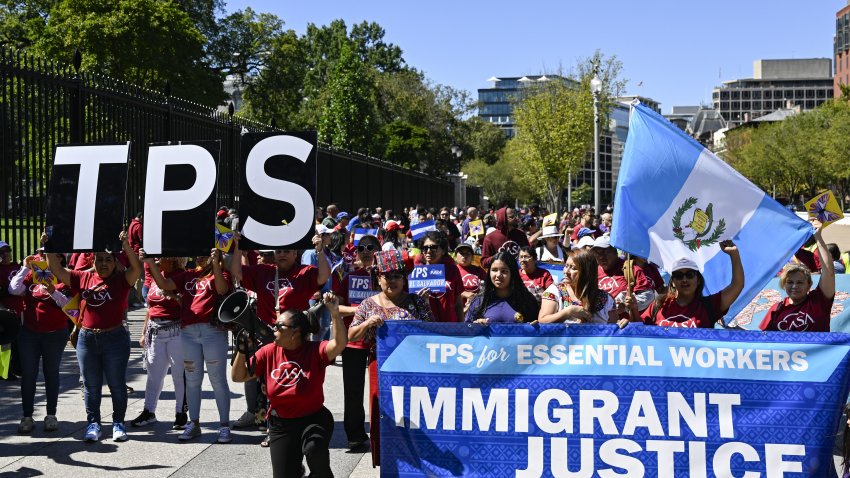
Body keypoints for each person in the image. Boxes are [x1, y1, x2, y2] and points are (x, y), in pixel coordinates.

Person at [232, 292, 345, 478]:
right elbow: (239, 376)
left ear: (295, 332)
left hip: (314, 418)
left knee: (315, 449)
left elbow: (340, 344)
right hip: (281, 424)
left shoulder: (315, 351)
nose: (273, 329)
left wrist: (334, 313)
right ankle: (295, 469)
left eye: (279, 326)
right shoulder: (268, 351)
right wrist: (242, 350)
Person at [45, 230, 142, 442]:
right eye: (100, 259)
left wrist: (126, 244)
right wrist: (49, 248)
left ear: (115, 263)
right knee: (91, 385)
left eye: (108, 260)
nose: (104, 263)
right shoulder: (83, 277)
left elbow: (137, 268)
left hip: (115, 339)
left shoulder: (122, 281)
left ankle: (118, 423)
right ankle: (93, 423)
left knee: (117, 384)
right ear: (94, 261)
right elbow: (57, 270)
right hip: (87, 339)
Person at [348, 250, 434, 466]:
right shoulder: (368, 304)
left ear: (404, 278)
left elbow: (432, 333)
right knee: (384, 415)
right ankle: (388, 463)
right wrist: (368, 323)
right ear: (379, 278)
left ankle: (417, 462)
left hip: (414, 370)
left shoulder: (417, 302)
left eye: (397, 275)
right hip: (381, 369)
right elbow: (351, 334)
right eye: (387, 275)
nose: (392, 280)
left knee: (414, 415)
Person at [143, 249, 232, 443]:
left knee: (217, 379)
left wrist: (216, 264)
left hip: (212, 332)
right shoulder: (187, 275)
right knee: (192, 379)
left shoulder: (222, 272)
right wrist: (150, 262)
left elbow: (222, 289)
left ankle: (224, 425)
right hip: (188, 333)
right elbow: (164, 284)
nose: (199, 257)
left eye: (204, 254)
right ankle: (194, 423)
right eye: (197, 253)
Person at [9, 253, 72, 433]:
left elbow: (69, 305)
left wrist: (52, 290)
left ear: (60, 259)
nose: (44, 257)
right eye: (42, 254)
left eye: (50, 254)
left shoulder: (65, 276)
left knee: (51, 373)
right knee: (29, 375)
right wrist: (24, 267)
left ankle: (51, 415)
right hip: (29, 333)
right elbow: (13, 289)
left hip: (55, 334)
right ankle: (27, 416)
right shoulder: (31, 275)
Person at [628, 241, 744, 328]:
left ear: (698, 280)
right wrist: (632, 311)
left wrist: (734, 255)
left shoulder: (709, 306)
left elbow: (737, 285)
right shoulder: (659, 305)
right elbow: (640, 331)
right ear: (672, 282)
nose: (684, 279)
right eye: (678, 275)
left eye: (690, 274)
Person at [333, 233, 380, 449]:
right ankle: (355, 435)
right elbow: (337, 308)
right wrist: (361, 310)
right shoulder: (350, 278)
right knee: (353, 391)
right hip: (354, 341)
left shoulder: (388, 277)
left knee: (381, 391)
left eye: (371, 247)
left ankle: (382, 434)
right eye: (362, 248)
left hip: (381, 342)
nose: (367, 251)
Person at [130, 257, 187, 430]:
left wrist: (170, 294)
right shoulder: (156, 276)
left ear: (172, 259)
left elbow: (187, 304)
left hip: (176, 331)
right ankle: (149, 411)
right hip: (155, 331)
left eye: (161, 256)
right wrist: (143, 333)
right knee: (154, 374)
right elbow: (150, 308)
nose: (157, 259)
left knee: (178, 374)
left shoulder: (181, 276)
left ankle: (180, 413)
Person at [760, 220, 835, 332]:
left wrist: (818, 236)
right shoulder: (776, 309)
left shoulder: (819, 301)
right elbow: (761, 341)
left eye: (800, 282)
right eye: (790, 282)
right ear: (784, 285)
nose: (794, 286)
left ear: (809, 285)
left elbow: (828, 271)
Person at [538, 250, 618, 324]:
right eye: (566, 266)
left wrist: (623, 324)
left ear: (587, 272)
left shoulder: (606, 300)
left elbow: (614, 331)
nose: (566, 271)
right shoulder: (554, 292)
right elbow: (542, 321)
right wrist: (568, 311)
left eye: (573, 268)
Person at [464, 251, 540, 324]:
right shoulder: (479, 301)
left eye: (504, 271)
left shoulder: (527, 301)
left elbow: (537, 333)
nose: (498, 275)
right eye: (494, 270)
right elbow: (467, 330)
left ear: (513, 274)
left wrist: (535, 328)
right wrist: (476, 326)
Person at [591, 235, 656, 316]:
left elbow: (648, 296)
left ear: (615, 251)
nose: (601, 257)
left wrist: (626, 305)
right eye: (597, 253)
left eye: (605, 252)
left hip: (626, 325)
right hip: (601, 326)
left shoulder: (631, 269)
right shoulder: (592, 272)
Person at [415, 231, 464, 323]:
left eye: (433, 247)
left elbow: (458, 303)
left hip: (451, 327)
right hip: (427, 328)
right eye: (425, 248)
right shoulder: (416, 273)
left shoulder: (452, 270)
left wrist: (461, 326)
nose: (429, 251)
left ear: (443, 251)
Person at [454, 243, 485, 310]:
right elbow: (448, 292)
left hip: (478, 309)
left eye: (467, 253)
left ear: (472, 257)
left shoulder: (479, 271)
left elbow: (488, 289)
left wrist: (476, 297)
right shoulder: (451, 271)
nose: (464, 256)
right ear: (456, 256)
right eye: (462, 253)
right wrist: (463, 294)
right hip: (458, 310)